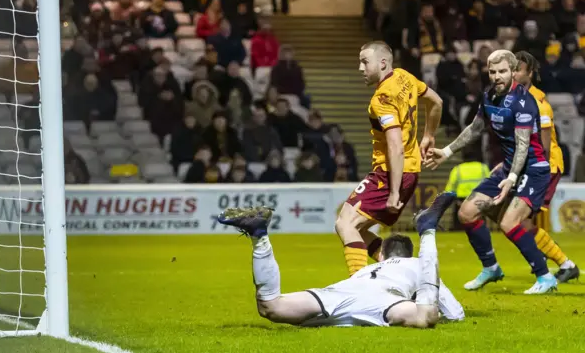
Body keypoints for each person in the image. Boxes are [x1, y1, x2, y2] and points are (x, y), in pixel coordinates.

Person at [216, 194, 464, 328]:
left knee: (272, 307)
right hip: (387, 300)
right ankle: (427, 230)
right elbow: (455, 314)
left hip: (342, 292)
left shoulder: (371, 267)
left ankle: (259, 236)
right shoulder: (417, 265)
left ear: (382, 255)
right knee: (426, 317)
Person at [425, 50, 557, 294]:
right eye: (492, 71)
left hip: (533, 169)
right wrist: (447, 151)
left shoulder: (523, 101)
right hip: (508, 167)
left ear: (513, 71)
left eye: (503, 71)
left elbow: (523, 145)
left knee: (509, 223)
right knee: (466, 213)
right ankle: (491, 267)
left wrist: (511, 178)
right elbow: (475, 129)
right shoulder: (488, 97)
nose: (497, 76)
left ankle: (545, 277)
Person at [336, 41, 443, 276]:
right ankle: (399, 273)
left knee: (345, 223)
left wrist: (394, 191)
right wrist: (429, 136)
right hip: (408, 170)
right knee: (356, 228)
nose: (360, 68)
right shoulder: (405, 77)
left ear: (382, 63)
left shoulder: (381, 99)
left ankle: (358, 287)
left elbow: (395, 144)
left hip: (390, 172)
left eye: (365, 61)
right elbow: (436, 102)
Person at [512, 51, 580, 283]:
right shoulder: (517, 98)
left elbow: (545, 144)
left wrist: (533, 170)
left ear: (529, 73)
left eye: (517, 69)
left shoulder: (538, 103)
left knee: (520, 220)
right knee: (520, 219)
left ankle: (562, 263)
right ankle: (554, 261)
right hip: (533, 166)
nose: (513, 73)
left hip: (545, 166)